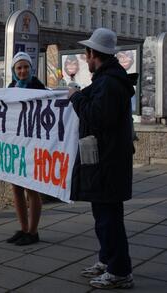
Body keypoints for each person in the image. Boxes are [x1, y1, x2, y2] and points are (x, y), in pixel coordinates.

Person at [68, 28, 134, 289]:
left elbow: (97, 117)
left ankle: (120, 271)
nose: (85, 58)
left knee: (109, 219)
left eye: (87, 53)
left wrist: (75, 98)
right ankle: (108, 260)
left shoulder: (108, 83)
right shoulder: (108, 80)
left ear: (95, 54)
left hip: (108, 163)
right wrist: (82, 95)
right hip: (105, 162)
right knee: (103, 216)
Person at [5, 52, 46, 246]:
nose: (22, 71)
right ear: (14, 71)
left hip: (32, 145)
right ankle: (23, 228)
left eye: (26, 67)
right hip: (15, 144)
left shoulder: (38, 87)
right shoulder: (10, 88)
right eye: (19, 68)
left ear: (31, 68)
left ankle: (33, 231)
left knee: (32, 189)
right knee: (16, 188)